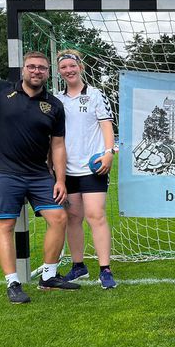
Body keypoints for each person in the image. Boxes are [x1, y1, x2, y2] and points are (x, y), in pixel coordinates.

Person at [0, 26, 80, 304]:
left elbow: (58, 145)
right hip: (5, 172)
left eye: (42, 68)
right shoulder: (1, 91)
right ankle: (13, 283)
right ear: (23, 69)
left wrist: (60, 180)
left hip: (39, 174)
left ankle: (49, 276)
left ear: (48, 73)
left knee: (59, 218)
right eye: (31, 67)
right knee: (6, 225)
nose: (36, 71)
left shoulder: (54, 105)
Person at [55, 50, 118, 290]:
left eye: (72, 66)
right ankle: (78, 266)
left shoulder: (95, 95)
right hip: (67, 170)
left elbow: (106, 125)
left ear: (80, 67)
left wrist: (109, 152)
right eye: (64, 67)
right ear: (59, 71)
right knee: (73, 218)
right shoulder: (56, 99)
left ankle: (105, 269)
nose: (68, 70)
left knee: (96, 215)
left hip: (93, 167)